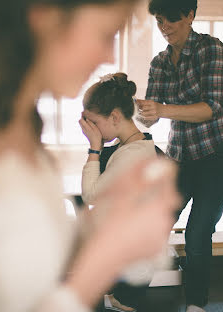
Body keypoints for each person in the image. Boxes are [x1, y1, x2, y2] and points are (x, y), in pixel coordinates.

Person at [0, 1, 181, 311]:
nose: (108, 55)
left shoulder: (25, 133)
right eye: (104, 33)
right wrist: (95, 270)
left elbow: (29, 254)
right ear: (46, 18)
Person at [136, 0, 223, 311]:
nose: (164, 26)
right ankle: (128, 297)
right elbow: (152, 117)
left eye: (171, 18)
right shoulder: (159, 63)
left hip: (221, 155)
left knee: (198, 232)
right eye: (159, 20)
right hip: (183, 158)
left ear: (190, 15)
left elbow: (210, 109)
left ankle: (196, 305)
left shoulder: (212, 50)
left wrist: (162, 109)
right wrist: (138, 110)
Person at [79, 72, 165, 312]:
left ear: (115, 116)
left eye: (93, 122)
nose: (89, 128)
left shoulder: (131, 156)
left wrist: (94, 148)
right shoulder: (134, 145)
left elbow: (90, 195)